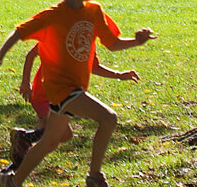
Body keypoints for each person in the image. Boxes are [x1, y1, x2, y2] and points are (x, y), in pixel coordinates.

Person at [0, 0, 155, 187]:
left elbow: (112, 43)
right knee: (108, 118)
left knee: (51, 141)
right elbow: (19, 32)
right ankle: (95, 178)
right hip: (61, 89)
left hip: (76, 87)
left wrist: (136, 41)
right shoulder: (52, 16)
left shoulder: (95, 11)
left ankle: (11, 183)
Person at [11, 32, 138, 167]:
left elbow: (93, 67)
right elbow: (31, 55)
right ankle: (23, 139)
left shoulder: (87, 42)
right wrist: (25, 83)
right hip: (44, 95)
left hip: (64, 96)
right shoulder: (59, 35)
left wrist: (118, 74)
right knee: (63, 134)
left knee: (51, 142)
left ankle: (19, 159)